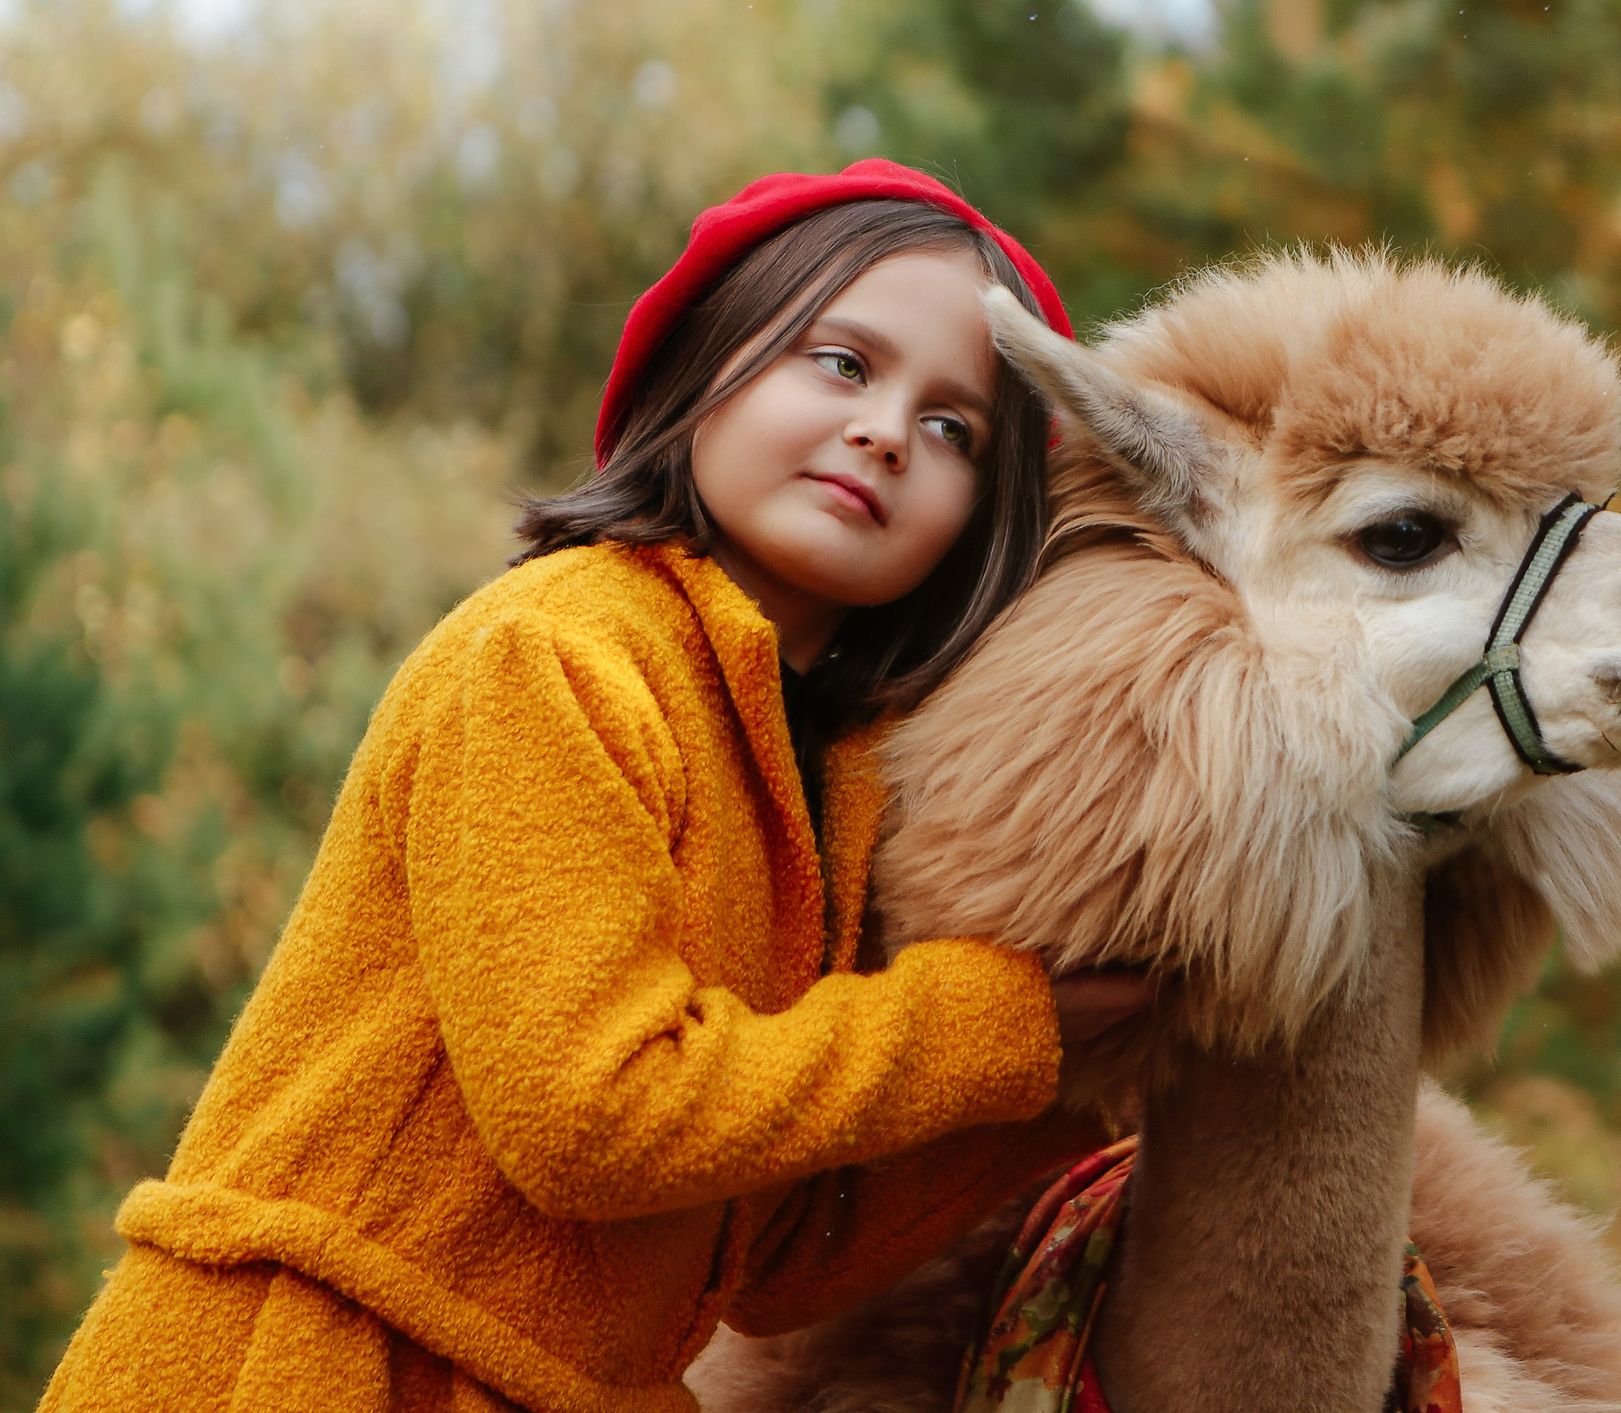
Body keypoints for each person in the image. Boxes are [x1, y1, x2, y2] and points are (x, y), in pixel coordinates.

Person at [40, 160, 1150, 1412]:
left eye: (955, 428)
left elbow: (770, 1260)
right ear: (706, 364)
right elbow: (593, 1116)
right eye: (842, 364)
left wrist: (1077, 1081)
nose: (887, 430)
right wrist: (992, 1022)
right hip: (307, 1366)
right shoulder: (555, 651)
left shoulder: (831, 776)